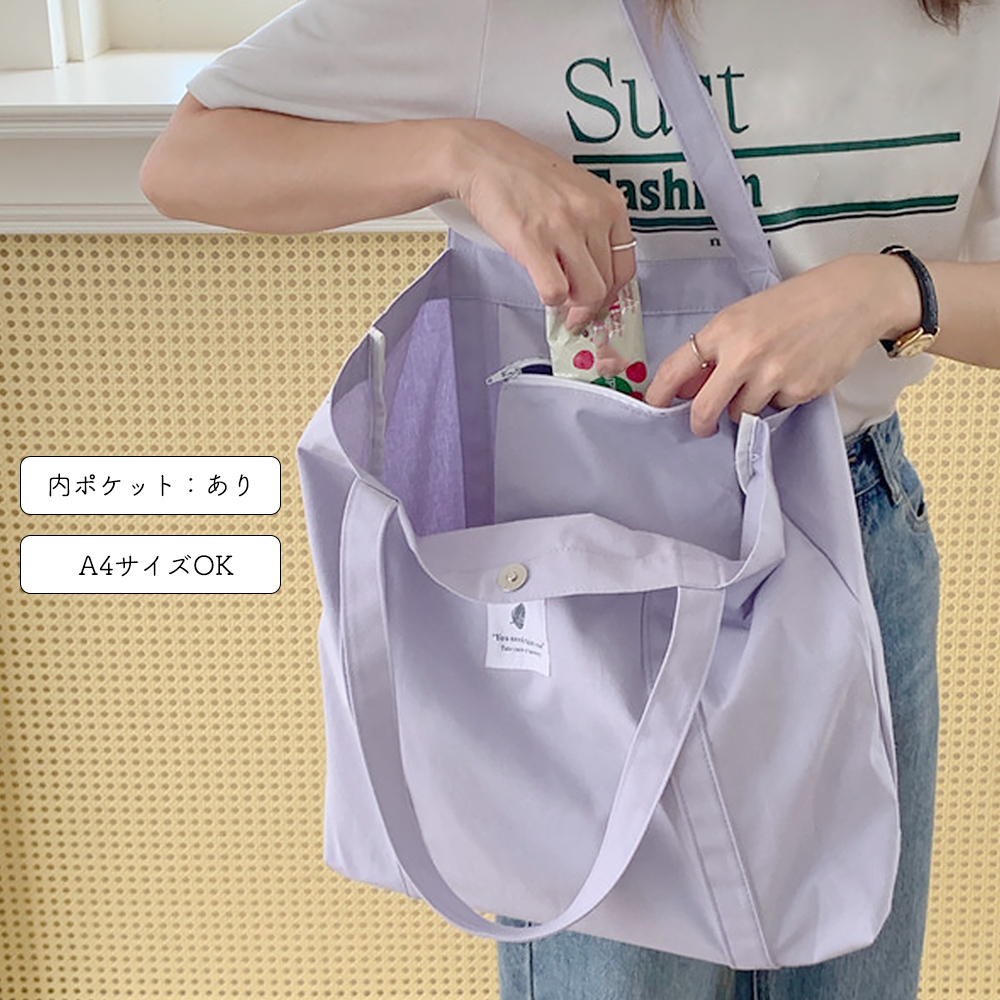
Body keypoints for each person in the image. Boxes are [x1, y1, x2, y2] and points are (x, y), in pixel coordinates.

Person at [141, 0, 1000, 996]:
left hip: (853, 527)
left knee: (848, 959)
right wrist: (457, 153)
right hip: (585, 564)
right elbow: (188, 160)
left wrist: (891, 292)